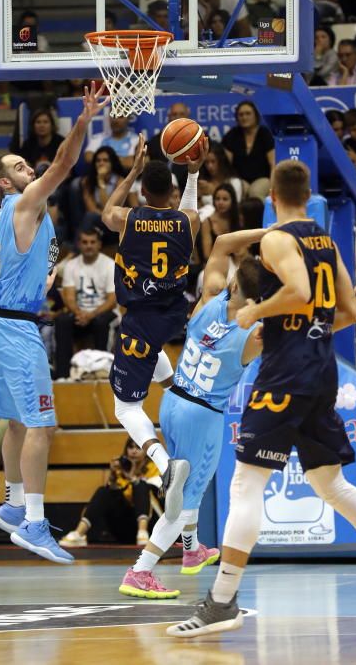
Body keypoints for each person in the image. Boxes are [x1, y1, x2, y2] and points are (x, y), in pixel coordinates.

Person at [168, 159, 356, 637]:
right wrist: (309, 329)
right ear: (308, 195)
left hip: (286, 374)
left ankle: (222, 601)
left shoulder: (274, 239)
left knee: (245, 485)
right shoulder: (326, 242)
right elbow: (348, 311)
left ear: (272, 199)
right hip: (321, 368)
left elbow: (299, 289)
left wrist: (258, 314)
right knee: (330, 485)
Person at [0, 82, 108, 564]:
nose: (27, 168)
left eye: (24, 163)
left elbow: (16, 265)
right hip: (14, 329)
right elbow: (64, 166)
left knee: (15, 422)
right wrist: (83, 120)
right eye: (17, 167)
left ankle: (12, 505)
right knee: (41, 424)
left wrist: (44, 276)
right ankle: (34, 522)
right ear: (5, 184)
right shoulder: (25, 202)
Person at [119, 230, 265, 598]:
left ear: (233, 282)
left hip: (173, 400)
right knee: (183, 497)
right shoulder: (255, 335)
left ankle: (191, 548)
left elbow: (221, 243)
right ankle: (141, 570)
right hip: (203, 416)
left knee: (186, 486)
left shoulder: (208, 300)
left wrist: (271, 232)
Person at [101, 134, 207, 522]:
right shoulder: (188, 221)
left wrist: (130, 174)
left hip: (141, 318)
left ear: (144, 191)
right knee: (160, 368)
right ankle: (186, 402)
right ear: (173, 193)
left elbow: (106, 211)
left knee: (125, 406)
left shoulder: (128, 218)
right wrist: (192, 174)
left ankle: (165, 465)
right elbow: (191, 214)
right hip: (174, 316)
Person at [60, 439, 160, 548]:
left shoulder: (154, 468)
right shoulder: (121, 468)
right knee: (104, 491)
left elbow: (155, 497)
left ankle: (142, 532)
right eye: (130, 447)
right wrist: (112, 476)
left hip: (151, 528)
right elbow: (113, 498)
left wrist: (133, 478)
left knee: (141, 486)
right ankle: (79, 533)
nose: (134, 451)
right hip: (125, 527)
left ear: (146, 452)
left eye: (138, 448)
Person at [54, 228, 117, 380]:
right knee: (62, 321)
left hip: (101, 313)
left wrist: (91, 314)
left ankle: (102, 372)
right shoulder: (71, 265)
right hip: (79, 313)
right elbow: (69, 297)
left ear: (99, 244)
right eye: (85, 242)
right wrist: (79, 313)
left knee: (101, 323)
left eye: (92, 242)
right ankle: (63, 375)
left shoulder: (110, 265)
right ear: (79, 244)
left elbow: (112, 300)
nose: (89, 246)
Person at [78, 145, 134, 243]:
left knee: (91, 218)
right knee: (89, 217)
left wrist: (101, 181)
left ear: (112, 163)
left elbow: (109, 211)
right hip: (97, 222)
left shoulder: (120, 182)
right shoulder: (87, 182)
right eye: (98, 160)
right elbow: (91, 209)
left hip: (114, 225)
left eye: (105, 160)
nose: (101, 163)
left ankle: (74, 252)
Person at [222, 101, 275, 201]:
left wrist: (273, 187)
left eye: (248, 113)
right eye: (241, 114)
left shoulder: (265, 134)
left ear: (256, 115)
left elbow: (273, 164)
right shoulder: (232, 135)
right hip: (240, 179)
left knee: (255, 191)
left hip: (263, 178)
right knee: (236, 189)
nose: (244, 117)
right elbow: (225, 166)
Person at [200, 182, 240, 261]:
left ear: (233, 201)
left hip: (235, 262)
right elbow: (207, 254)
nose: (220, 202)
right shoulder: (207, 222)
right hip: (214, 263)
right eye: (217, 199)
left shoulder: (238, 219)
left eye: (225, 199)